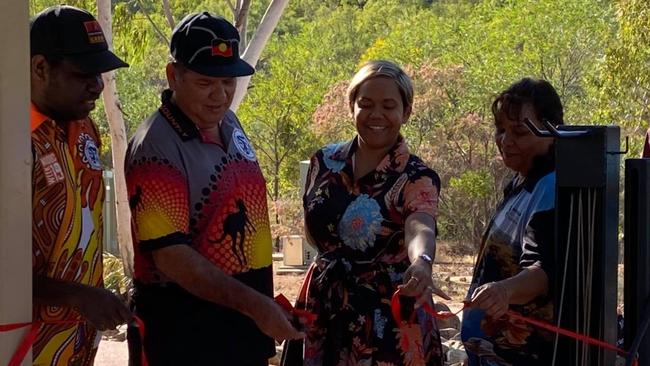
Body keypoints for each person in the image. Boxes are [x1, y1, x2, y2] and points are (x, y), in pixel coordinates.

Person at [124, 12, 303, 365]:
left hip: (240, 330)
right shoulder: (157, 147)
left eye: (228, 82)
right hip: (185, 338)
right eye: (206, 82)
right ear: (173, 75)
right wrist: (257, 306)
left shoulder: (229, 123)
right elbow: (172, 257)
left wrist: (261, 307)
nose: (219, 95)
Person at [283, 60, 447, 366]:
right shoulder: (323, 161)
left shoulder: (416, 176)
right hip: (323, 306)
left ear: (406, 112)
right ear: (351, 107)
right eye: (366, 104)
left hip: (387, 316)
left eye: (389, 105)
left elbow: (420, 225)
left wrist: (422, 262)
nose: (377, 115)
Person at [30, 5, 131, 365]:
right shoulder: (12, 140)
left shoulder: (85, 127)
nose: (98, 85)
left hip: (78, 342)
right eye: (84, 73)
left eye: (100, 73)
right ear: (40, 68)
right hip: (22, 343)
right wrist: (74, 295)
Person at [461, 78, 561, 365]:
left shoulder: (550, 187)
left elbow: (544, 271)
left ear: (552, 131)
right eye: (501, 130)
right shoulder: (520, 182)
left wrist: (505, 291)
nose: (505, 141)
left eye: (518, 132)